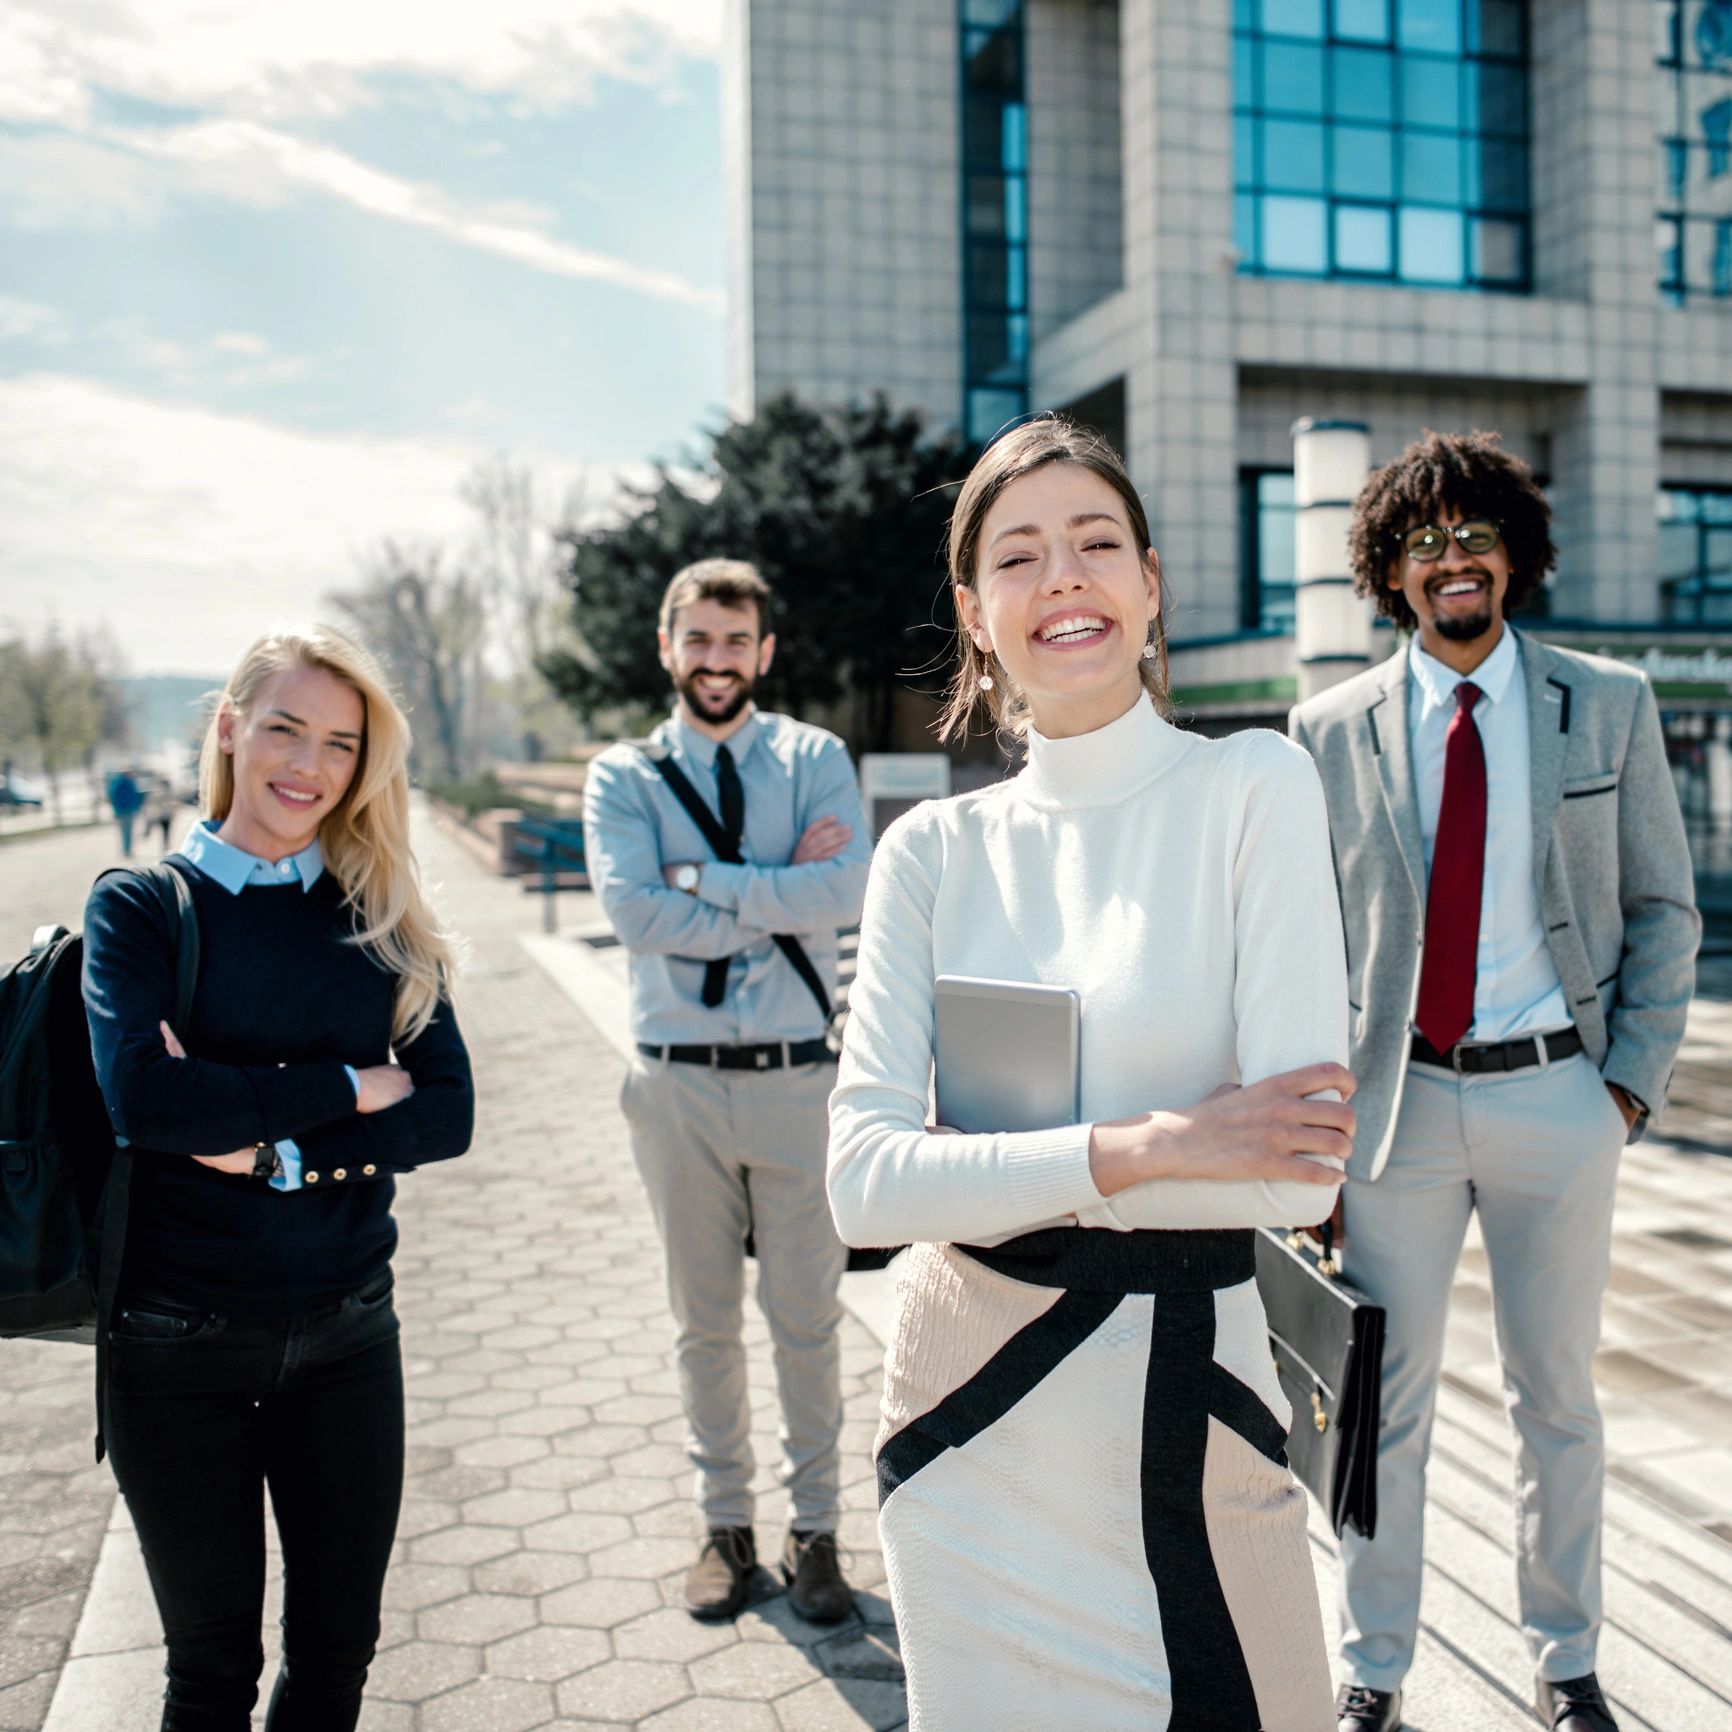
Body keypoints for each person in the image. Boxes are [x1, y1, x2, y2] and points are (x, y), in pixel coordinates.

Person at [829, 416, 1354, 1731]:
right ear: (976, 610)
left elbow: (1299, 1175)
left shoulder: (1254, 787)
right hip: (971, 1421)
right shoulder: (934, 855)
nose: (1063, 576)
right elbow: (866, 1187)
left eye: (1096, 542)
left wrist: (999, 1167)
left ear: (1152, 582)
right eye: (1020, 555)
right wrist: (1166, 1142)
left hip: (1196, 1409)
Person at [1289, 432, 1700, 1732]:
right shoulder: (1328, 729)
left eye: (1474, 536)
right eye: (1422, 542)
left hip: (1557, 1100)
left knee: (1556, 1397)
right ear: (1388, 573)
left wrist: (1621, 1091)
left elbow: (1663, 910)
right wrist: (1313, 1142)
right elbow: (1302, 947)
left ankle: (1567, 1661)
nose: (1451, 559)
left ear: (1514, 554)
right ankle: (1375, 1670)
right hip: (1394, 1113)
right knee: (1381, 1401)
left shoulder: (1609, 701)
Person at [82, 624, 475, 1730]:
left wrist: (269, 1146)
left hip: (350, 1335)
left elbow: (448, 1115)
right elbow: (148, 1106)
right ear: (229, 729)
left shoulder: (379, 913)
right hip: (174, 1343)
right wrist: (353, 1083)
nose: (308, 766)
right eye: (285, 729)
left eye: (341, 745)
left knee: (338, 1655)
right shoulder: (140, 908)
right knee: (210, 1672)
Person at [583, 560, 872, 1624]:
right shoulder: (622, 775)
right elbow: (635, 914)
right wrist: (772, 893)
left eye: (734, 641)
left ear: (764, 650)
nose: (716, 660)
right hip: (677, 1089)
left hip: (801, 1080)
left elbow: (846, 888)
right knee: (701, 1322)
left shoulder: (813, 757)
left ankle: (817, 1532)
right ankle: (724, 1527)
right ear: (668, 647)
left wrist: (701, 880)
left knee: (808, 1319)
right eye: (696, 640)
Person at [109, 766, 144, 858]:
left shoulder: (127, 782)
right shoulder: (121, 783)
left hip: (127, 810)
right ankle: (126, 850)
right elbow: (115, 798)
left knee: (128, 832)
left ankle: (127, 850)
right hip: (123, 810)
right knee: (126, 832)